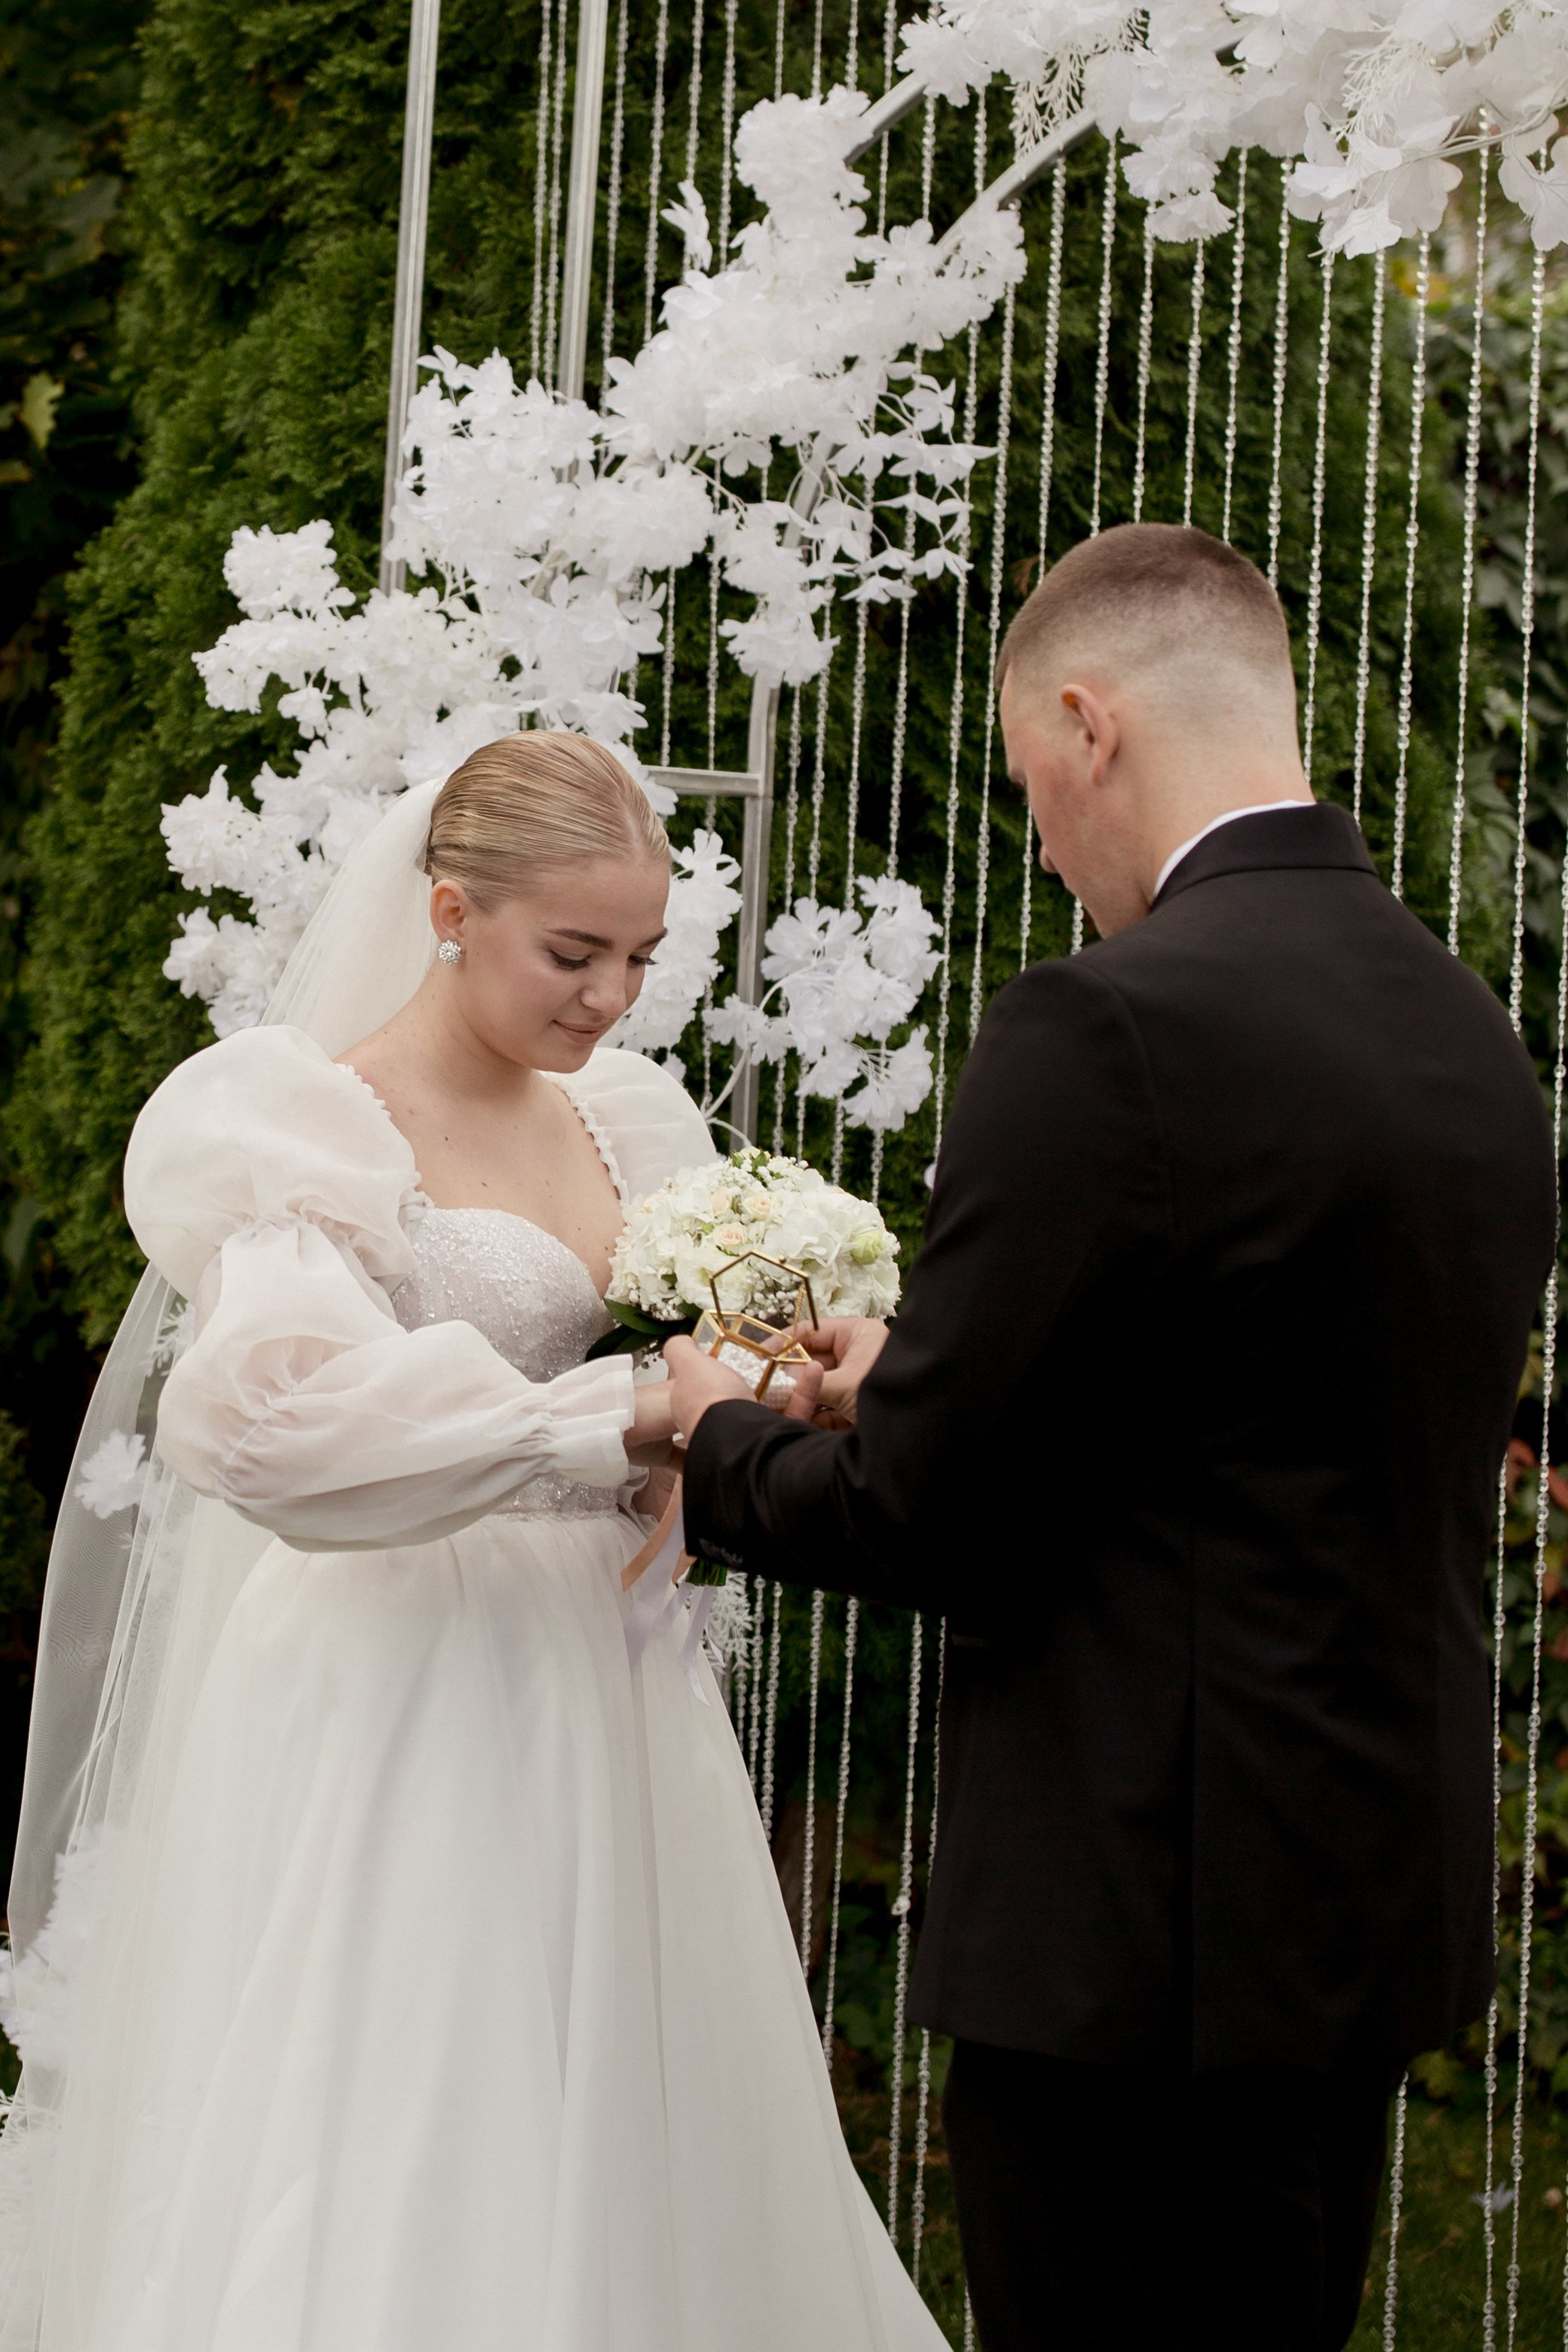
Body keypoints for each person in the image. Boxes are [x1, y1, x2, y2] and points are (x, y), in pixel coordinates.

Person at [664, 524, 1557, 2350]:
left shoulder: (1103, 1024)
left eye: (1023, 786)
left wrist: (714, 1441)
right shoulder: (1462, 1025)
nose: (1045, 843)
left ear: (1087, 722)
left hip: (1134, 1937)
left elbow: (932, 1517)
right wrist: (917, 1363)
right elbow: (1247, 1403)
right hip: (1352, 1900)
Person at [0, 733, 943, 2352]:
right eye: (570, 955)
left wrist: (775, 1387)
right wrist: (604, 1422)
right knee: (421, 2097)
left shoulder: (626, 1125)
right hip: (402, 1681)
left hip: (607, 1675)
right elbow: (267, 1424)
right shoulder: (315, 1124)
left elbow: (681, 1355)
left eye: (638, 960)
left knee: (635, 2110)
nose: (607, 1000)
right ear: (448, 909)